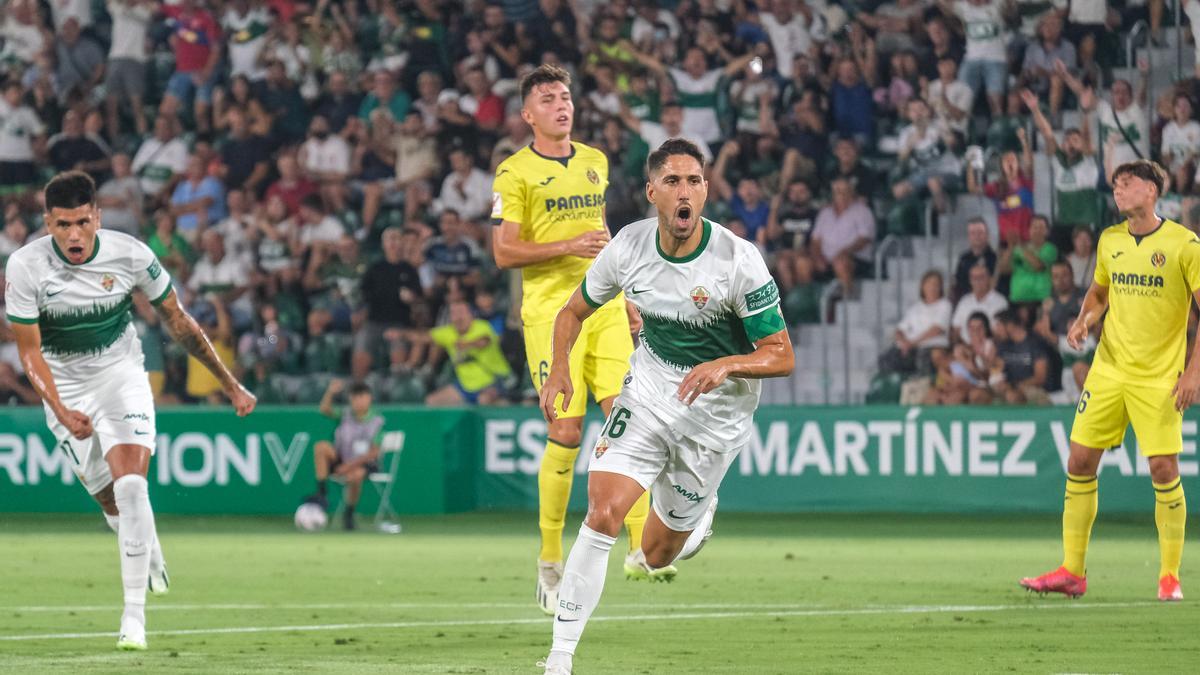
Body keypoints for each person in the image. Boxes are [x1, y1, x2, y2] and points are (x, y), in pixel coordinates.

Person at [537, 138, 792, 675]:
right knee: (602, 513)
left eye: (695, 181)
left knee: (656, 556)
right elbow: (571, 312)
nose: (685, 191)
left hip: (715, 417)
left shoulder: (737, 260)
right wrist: (560, 367)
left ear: (705, 190)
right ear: (653, 191)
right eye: (673, 181)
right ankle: (559, 660)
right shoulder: (628, 247)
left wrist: (727, 364)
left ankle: (697, 516)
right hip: (649, 394)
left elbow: (781, 355)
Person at [3, 171, 255, 650]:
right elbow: (29, 352)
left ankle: (133, 617)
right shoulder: (24, 266)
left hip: (121, 375)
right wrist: (58, 406)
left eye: (82, 222)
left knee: (133, 485)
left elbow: (179, 322)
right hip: (64, 385)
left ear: (97, 216)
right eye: (62, 225)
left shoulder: (133, 254)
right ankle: (150, 549)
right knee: (111, 502)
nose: (73, 235)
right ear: (46, 223)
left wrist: (230, 384)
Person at [491, 64, 646, 616]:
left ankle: (644, 546)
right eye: (549, 99)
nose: (562, 105)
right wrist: (566, 247)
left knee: (629, 417)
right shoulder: (513, 174)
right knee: (567, 426)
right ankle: (551, 559)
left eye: (566, 96)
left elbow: (602, 241)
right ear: (528, 114)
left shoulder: (594, 162)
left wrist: (625, 296)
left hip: (601, 308)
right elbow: (504, 252)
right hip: (548, 313)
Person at [1021, 160, 1198, 602]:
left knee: (1162, 468)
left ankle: (1170, 575)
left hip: (1159, 375)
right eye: (1115, 184)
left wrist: (1193, 372)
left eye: (1128, 183)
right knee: (1079, 461)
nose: (1118, 190)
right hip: (1109, 368)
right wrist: (1085, 318)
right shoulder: (1111, 240)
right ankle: (1072, 570)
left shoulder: (1185, 244)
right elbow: (1101, 291)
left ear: (1153, 190)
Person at [309, 379, 384, 531]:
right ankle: (322, 492)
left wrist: (348, 466)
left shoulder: (377, 421)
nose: (359, 401)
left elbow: (374, 452)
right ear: (351, 399)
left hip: (364, 463)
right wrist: (330, 392)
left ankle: (349, 513)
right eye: (356, 397)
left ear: (369, 398)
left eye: (363, 397)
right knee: (321, 447)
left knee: (354, 476)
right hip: (342, 457)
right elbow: (324, 409)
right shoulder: (345, 415)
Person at [424, 299, 513, 405]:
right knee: (431, 401)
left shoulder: (482, 326)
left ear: (471, 314)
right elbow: (422, 337)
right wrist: (401, 334)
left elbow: (484, 341)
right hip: (465, 387)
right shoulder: (448, 332)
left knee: (484, 400)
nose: (458, 317)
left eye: (461, 312)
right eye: (454, 313)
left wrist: (467, 344)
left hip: (492, 381)